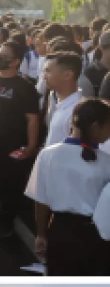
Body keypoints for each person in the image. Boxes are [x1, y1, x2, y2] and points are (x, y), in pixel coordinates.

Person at [25, 98, 110, 275]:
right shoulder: (106, 162)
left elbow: (41, 200)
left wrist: (41, 234)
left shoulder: (47, 155)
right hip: (96, 235)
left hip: (59, 231)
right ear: (95, 126)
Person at [0, 40, 40, 237]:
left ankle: (7, 223)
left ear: (15, 62)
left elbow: (32, 119)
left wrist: (31, 146)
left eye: (3, 56)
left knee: (10, 187)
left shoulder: (25, 87)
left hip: (11, 147)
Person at [43, 52, 83, 147]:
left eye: (48, 71)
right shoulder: (61, 103)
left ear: (67, 75)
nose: (43, 76)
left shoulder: (76, 111)